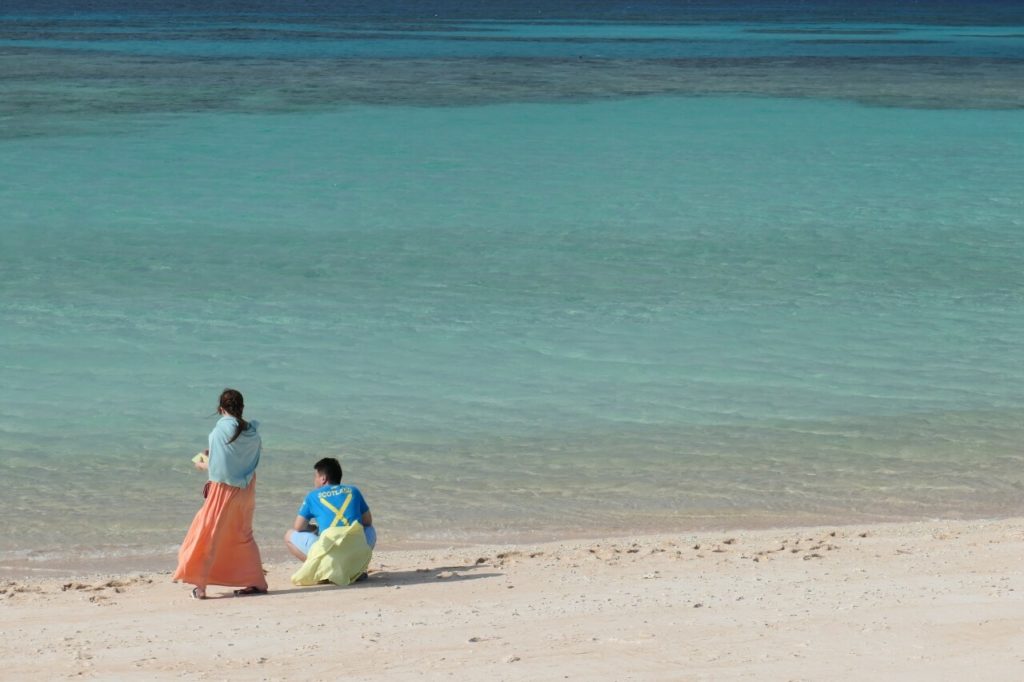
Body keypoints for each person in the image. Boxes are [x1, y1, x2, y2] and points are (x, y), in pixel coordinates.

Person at [172, 388, 268, 599]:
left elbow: (219, 469)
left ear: (220, 408)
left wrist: (202, 463)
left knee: (208, 534)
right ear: (241, 408)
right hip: (247, 489)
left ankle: (201, 587)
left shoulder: (218, 432)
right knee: (243, 535)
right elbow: (244, 460)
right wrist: (214, 457)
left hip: (223, 490)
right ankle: (256, 582)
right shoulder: (252, 432)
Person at [285, 457, 375, 562]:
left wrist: (314, 529)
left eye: (316, 477)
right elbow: (367, 521)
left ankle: (321, 568)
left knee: (289, 535)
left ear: (323, 478)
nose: (314, 480)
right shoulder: (353, 491)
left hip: (331, 557)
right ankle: (356, 566)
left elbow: (298, 527)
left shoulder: (313, 496)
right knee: (370, 529)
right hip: (353, 553)